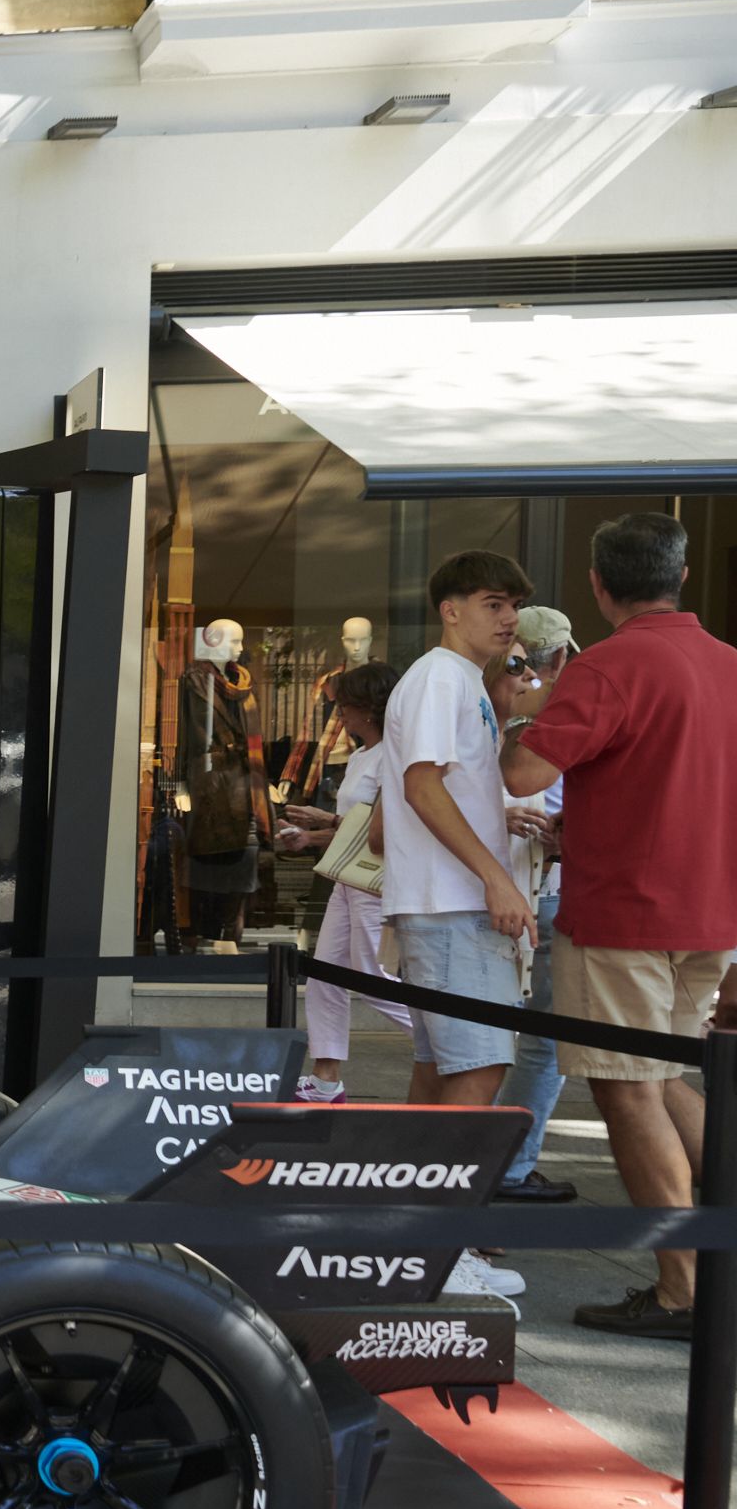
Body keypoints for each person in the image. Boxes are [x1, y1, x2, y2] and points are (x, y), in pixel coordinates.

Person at [502, 513, 737, 1339]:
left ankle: (685, 1290)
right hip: (711, 909)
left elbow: (526, 771)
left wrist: (519, 706)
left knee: (628, 1087)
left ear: (601, 587)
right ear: (678, 576)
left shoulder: (607, 666)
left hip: (627, 911)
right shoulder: (729, 664)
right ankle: (712, 1269)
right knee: (672, 1079)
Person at [377, 551, 535, 1303]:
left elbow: (424, 792)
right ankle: (439, 1253)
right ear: (451, 608)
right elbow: (420, 787)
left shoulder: (455, 681)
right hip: (453, 906)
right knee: (476, 1070)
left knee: (445, 1071)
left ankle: (418, 1245)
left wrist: (504, 824)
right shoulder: (441, 676)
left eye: (511, 607)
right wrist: (496, 876)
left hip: (444, 902)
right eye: (494, 603)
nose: (508, 619)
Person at [274, 662, 406, 1103]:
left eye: (345, 706)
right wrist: (311, 836)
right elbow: (357, 828)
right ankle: (326, 1080)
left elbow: (385, 828)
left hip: (372, 883)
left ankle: (454, 1037)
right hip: (349, 880)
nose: (340, 715)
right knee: (326, 977)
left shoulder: (394, 754)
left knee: (372, 975)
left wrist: (324, 821)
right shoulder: (365, 755)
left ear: (366, 709)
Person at [492, 607, 577, 1203]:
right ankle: (505, 1166)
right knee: (540, 1041)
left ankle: (498, 1163)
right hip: (536, 887)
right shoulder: (555, 713)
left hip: (521, 886)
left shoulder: (491, 708)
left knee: (513, 1041)